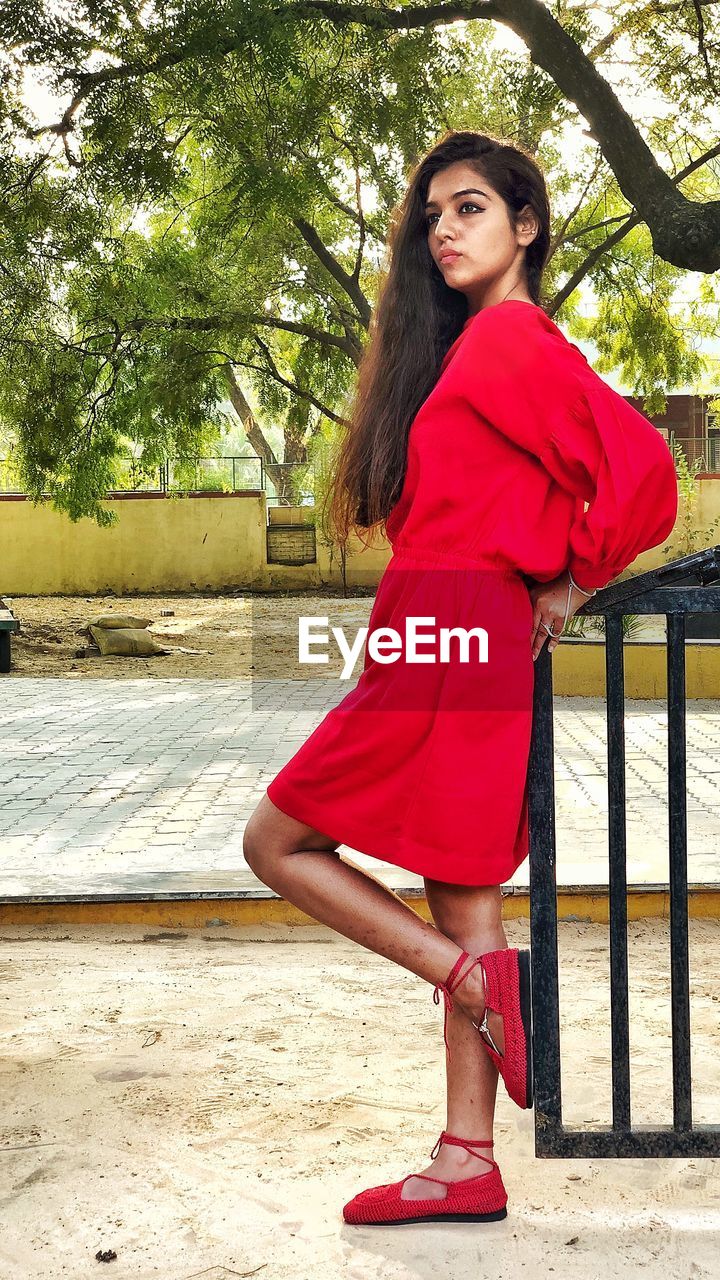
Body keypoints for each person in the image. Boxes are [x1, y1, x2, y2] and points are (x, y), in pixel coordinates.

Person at [243, 130, 679, 1226]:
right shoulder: (481, 346)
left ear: (525, 225)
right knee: (462, 881)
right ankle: (464, 1156)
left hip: (447, 623)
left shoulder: (507, 340)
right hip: (458, 622)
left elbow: (643, 473)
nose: (444, 227)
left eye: (472, 207)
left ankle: (474, 978)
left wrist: (573, 582)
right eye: (433, 213)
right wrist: (548, 581)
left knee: (274, 840)